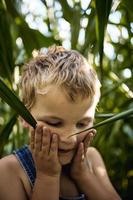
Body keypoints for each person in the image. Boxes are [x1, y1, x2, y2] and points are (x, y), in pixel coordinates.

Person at [0, 46, 121, 200]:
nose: (70, 139)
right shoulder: (9, 170)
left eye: (82, 124)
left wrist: (83, 175)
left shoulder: (91, 158)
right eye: (55, 123)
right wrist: (47, 176)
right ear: (24, 117)